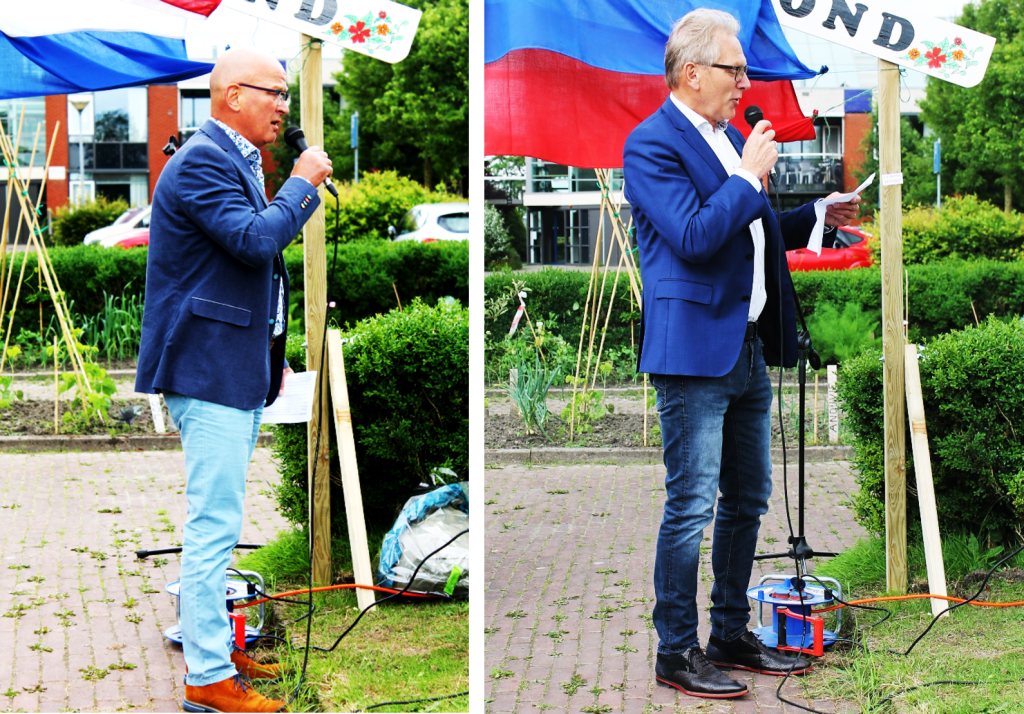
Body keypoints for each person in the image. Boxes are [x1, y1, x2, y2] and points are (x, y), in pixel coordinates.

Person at [622, 8, 860, 700]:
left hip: (747, 348)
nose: (744, 81)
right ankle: (675, 649)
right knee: (690, 505)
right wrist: (749, 175)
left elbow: (749, 231)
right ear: (691, 73)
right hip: (693, 355)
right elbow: (696, 236)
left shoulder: (727, 141)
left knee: (748, 496)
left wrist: (815, 213)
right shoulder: (652, 144)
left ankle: (729, 632)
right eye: (735, 69)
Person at [135, 47, 332, 714]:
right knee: (213, 525)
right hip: (205, 365)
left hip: (231, 363)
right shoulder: (201, 164)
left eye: (285, 94)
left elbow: (242, 273)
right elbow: (255, 242)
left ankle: (215, 648)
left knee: (218, 520)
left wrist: (267, 352)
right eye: (273, 93)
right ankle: (208, 680)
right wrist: (302, 183)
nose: (284, 106)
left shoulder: (232, 160)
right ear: (231, 97)